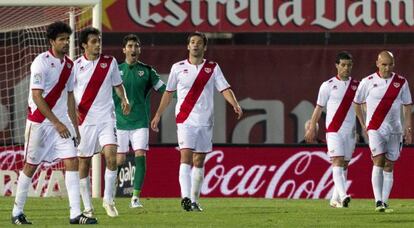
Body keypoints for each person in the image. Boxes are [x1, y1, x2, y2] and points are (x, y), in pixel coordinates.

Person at [11, 21, 97, 225]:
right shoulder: (40, 62)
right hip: (40, 123)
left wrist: (75, 128)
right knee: (30, 166)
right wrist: (57, 123)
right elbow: (37, 97)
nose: (66, 42)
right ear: (52, 42)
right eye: (62, 39)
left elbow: (69, 97)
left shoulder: (69, 65)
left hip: (62, 124)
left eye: (68, 39)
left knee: (72, 161)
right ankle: (16, 212)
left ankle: (75, 214)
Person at [151, 32, 243, 212]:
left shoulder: (212, 67)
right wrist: (158, 114)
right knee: (185, 157)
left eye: (199, 43)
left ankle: (194, 200)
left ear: (204, 47)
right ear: (188, 46)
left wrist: (235, 104)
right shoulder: (177, 68)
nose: (195, 45)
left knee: (199, 160)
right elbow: (168, 93)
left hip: (205, 120)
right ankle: (185, 197)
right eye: (192, 42)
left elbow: (224, 88)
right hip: (185, 120)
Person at [73, 27, 130, 218]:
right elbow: (68, 94)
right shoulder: (75, 66)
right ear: (84, 45)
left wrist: (124, 99)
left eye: (99, 41)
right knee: (84, 164)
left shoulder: (110, 62)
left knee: (112, 157)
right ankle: (88, 207)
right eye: (93, 42)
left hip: (107, 119)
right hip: (85, 121)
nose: (98, 45)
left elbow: (118, 85)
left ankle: (108, 200)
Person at [354, 50, 412, 212]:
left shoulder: (401, 82)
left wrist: (408, 128)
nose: (387, 68)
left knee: (389, 165)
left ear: (394, 65)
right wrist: (363, 124)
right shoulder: (367, 81)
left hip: (395, 129)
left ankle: (385, 202)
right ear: (377, 63)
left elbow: (407, 105)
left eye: (390, 64)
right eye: (384, 64)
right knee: (378, 160)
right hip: (375, 128)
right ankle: (378, 201)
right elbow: (357, 103)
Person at [114, 34, 166, 208]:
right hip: (119, 123)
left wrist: (182, 94)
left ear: (139, 49)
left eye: (136, 46)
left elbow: (165, 89)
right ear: (124, 50)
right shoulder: (115, 70)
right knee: (119, 160)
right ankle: (110, 194)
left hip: (140, 123)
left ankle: (135, 198)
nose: (133, 49)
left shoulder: (148, 71)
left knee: (140, 156)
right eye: (130, 46)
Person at [305, 51, 358, 208]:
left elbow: (363, 107)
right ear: (336, 65)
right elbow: (318, 108)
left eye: (349, 65)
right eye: (343, 65)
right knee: (337, 161)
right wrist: (311, 128)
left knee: (345, 164)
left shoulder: (357, 85)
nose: (346, 68)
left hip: (350, 131)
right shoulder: (327, 85)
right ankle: (343, 195)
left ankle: (334, 200)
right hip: (334, 130)